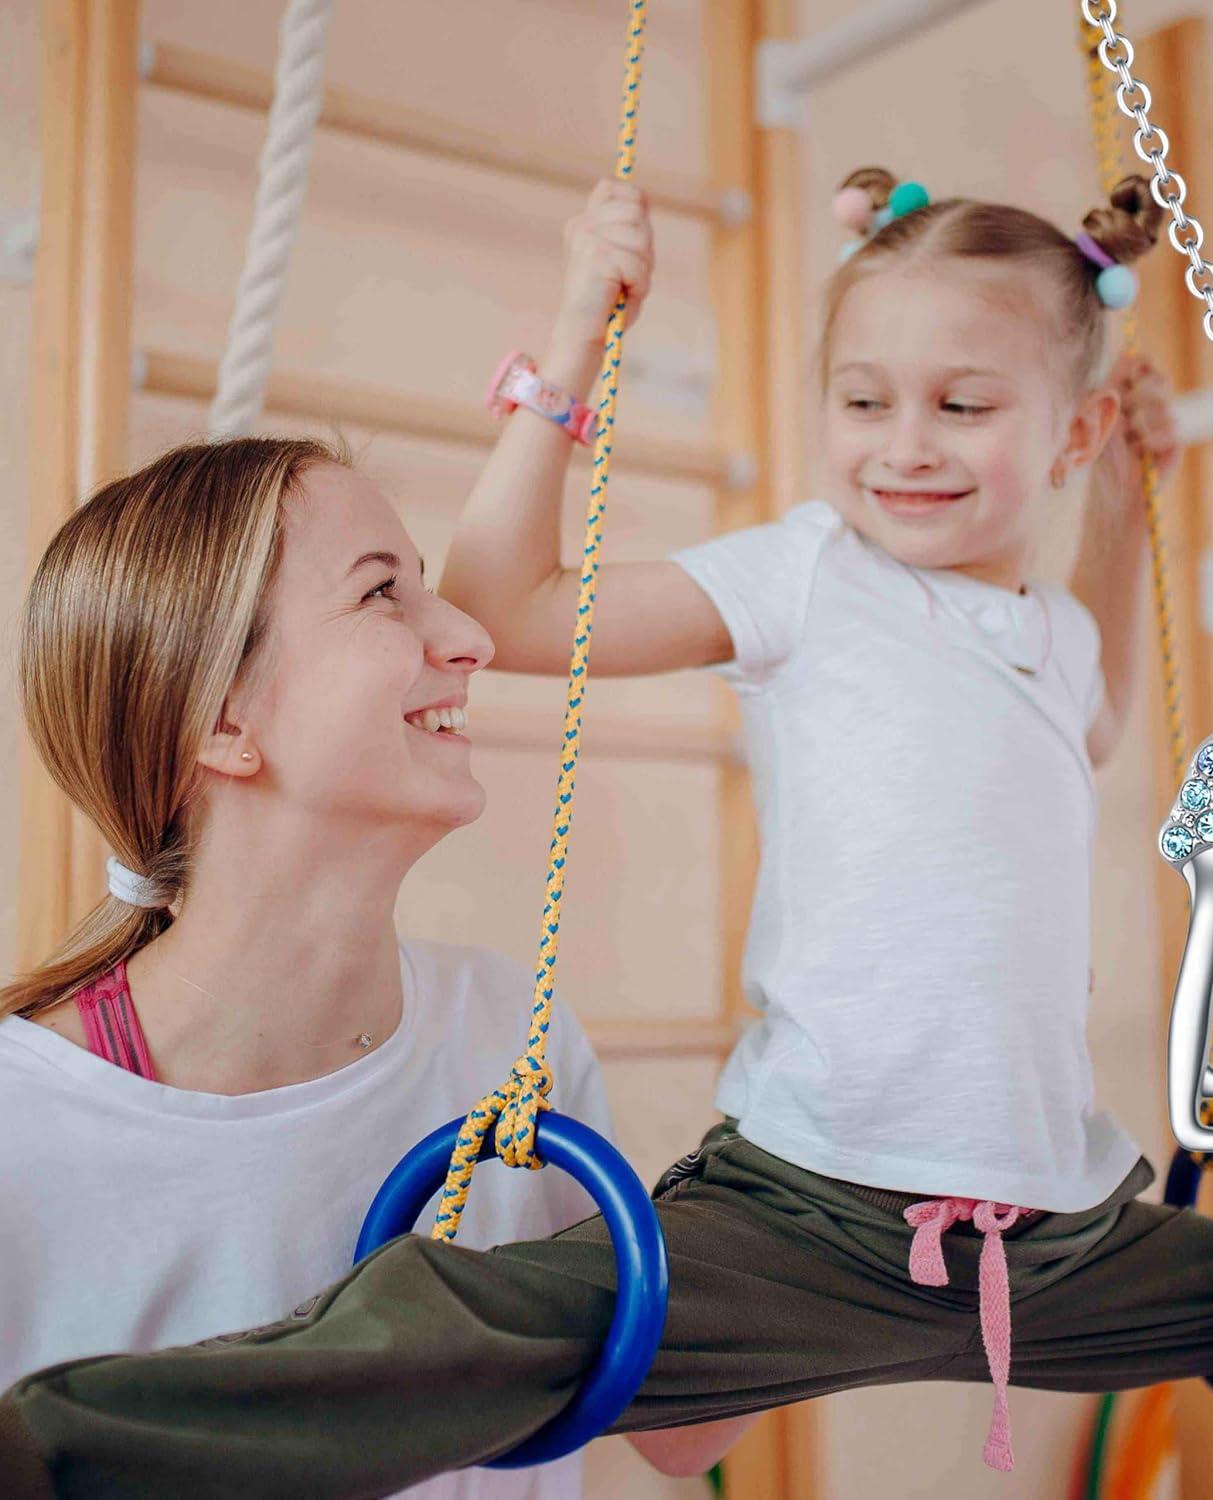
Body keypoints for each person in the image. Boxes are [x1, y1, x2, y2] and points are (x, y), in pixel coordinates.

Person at [2, 175, 1213, 1500]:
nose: (906, 445)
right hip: (812, 1207)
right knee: (489, 1315)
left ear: (1074, 423)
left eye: (963, 407)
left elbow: (1097, 709)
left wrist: (1118, 503)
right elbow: (516, 609)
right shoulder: (810, 576)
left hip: (1061, 1223)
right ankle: (56, 1453)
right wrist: (584, 331)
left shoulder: (1044, 637)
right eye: (864, 401)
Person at [0, 437, 743, 1497]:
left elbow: (675, 1430)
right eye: (383, 594)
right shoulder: (23, 1136)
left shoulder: (509, 1034)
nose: (473, 637)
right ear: (220, 719)